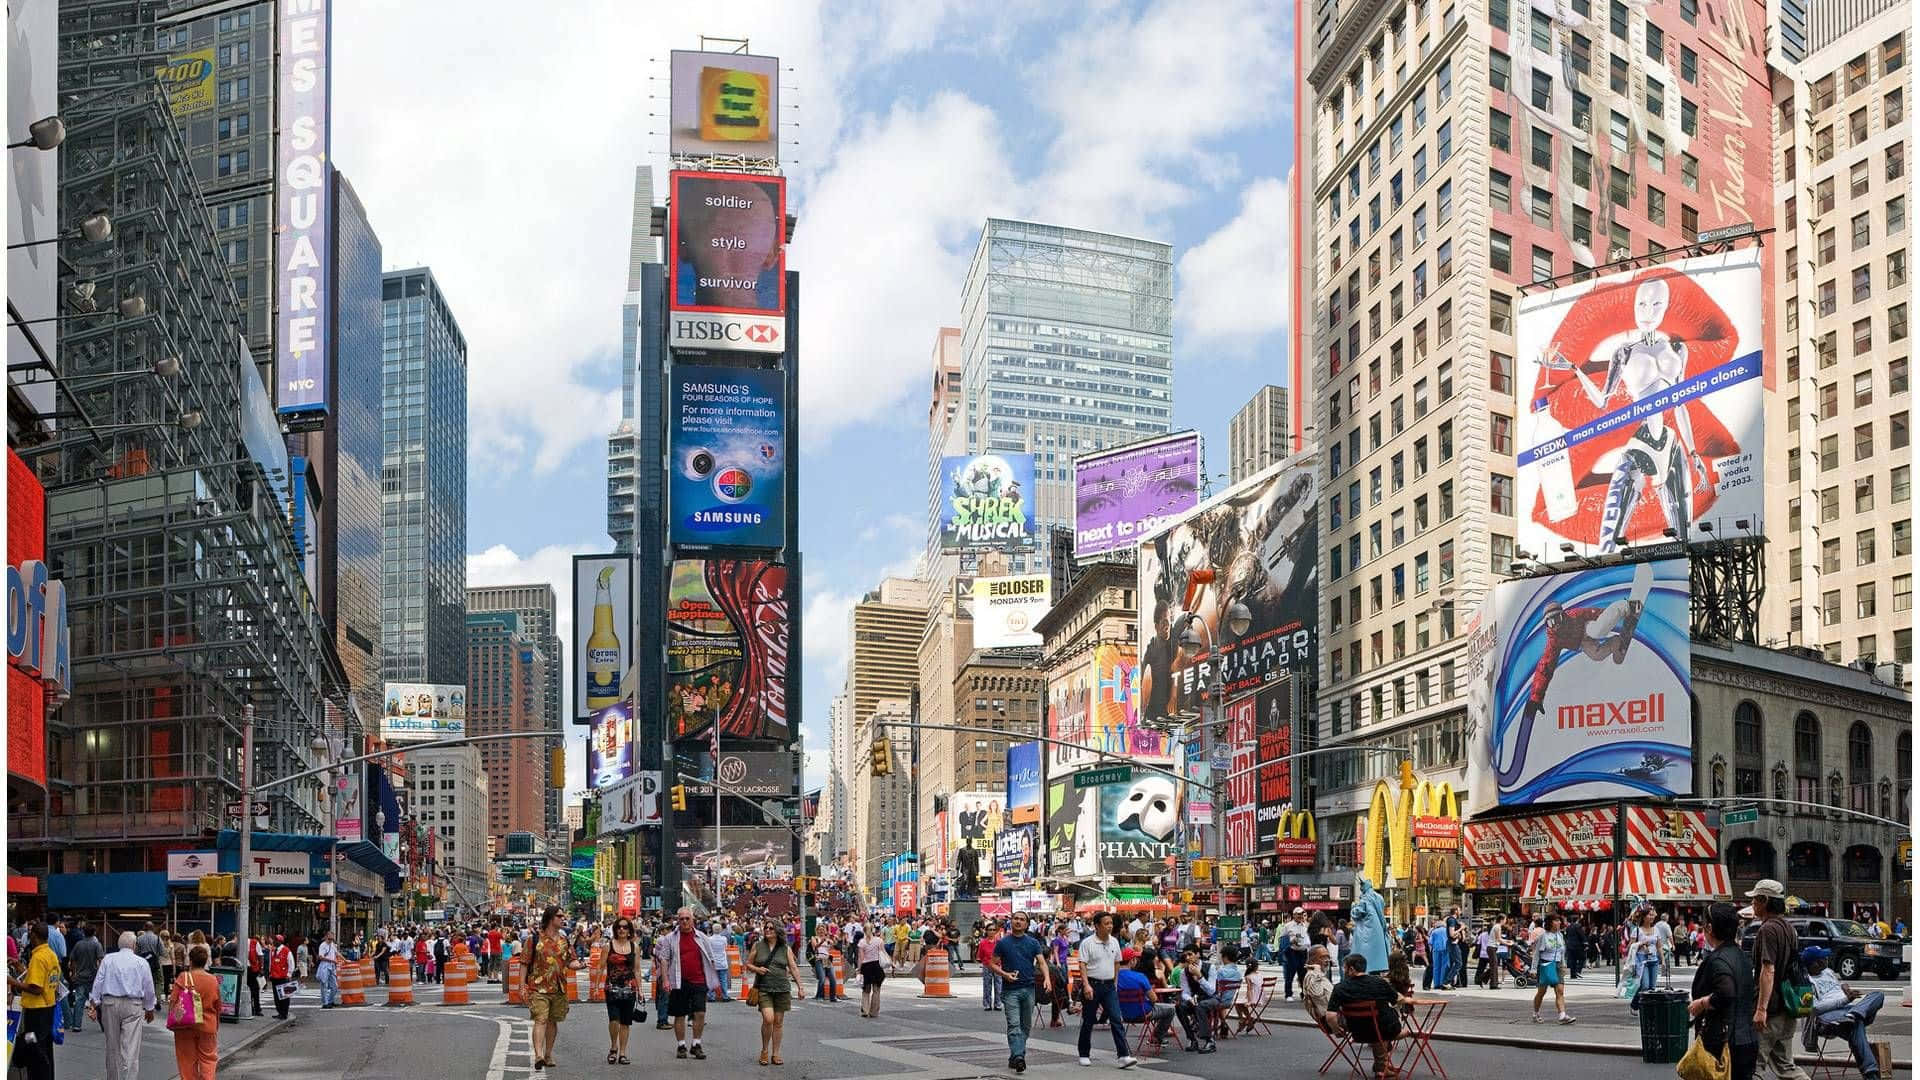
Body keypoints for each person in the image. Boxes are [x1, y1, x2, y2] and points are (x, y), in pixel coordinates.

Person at [1746, 880, 1812, 1080]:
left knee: (1752, 1066)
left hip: (1771, 1011)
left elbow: (1768, 969)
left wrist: (1761, 1009)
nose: (1753, 904)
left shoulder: (1767, 930)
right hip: (1788, 1007)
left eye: (1755, 900)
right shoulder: (1789, 928)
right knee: (1786, 1067)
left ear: (1764, 900)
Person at [1688, 902, 1759, 1080]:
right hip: (1747, 1038)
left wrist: (1702, 1002)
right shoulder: (1742, 956)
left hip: (1722, 1041)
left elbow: (1726, 992)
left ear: (1710, 928)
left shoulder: (1717, 960)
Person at [1802, 946, 1885, 1079]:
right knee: (1855, 1025)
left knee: (1878, 995)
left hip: (1848, 1011)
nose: (1827, 959)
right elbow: (1814, 1008)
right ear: (1814, 963)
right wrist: (1845, 1000)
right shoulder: (1807, 981)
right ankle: (1871, 1074)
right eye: (1823, 957)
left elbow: (1837, 986)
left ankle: (1856, 1013)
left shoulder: (1828, 971)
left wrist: (1845, 987)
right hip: (1828, 1017)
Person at [985, 911, 1051, 1074]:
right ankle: (1019, 1056)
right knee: (1014, 1025)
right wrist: (1005, 975)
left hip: (1029, 989)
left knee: (1026, 1026)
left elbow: (1042, 962)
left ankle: (1014, 1056)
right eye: (1016, 919)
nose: (1018, 922)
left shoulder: (1033, 942)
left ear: (1027, 924)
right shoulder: (1003, 943)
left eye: (1022, 920)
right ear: (1011, 922)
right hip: (1010, 991)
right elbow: (991, 964)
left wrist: (1047, 978)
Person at [88, 931, 157, 1080]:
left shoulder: (108, 959)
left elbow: (98, 981)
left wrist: (94, 1003)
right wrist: (149, 1008)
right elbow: (149, 987)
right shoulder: (141, 962)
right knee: (131, 1048)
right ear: (134, 945)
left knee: (112, 1046)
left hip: (110, 1003)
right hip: (133, 1004)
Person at [1074, 911, 1137, 1069]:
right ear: (1097, 926)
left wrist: (1115, 982)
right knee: (1088, 1020)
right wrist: (1086, 984)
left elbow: (1117, 962)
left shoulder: (1115, 942)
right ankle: (1084, 1053)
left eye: (1111, 923)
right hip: (1093, 985)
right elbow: (1082, 964)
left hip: (1109, 986)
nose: (1110, 926)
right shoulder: (1087, 943)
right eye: (1106, 923)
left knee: (1116, 1019)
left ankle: (1123, 1055)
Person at [655, 907, 719, 1060]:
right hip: (678, 981)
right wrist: (665, 980)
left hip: (699, 980)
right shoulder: (670, 938)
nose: (684, 921)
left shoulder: (701, 937)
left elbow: (711, 958)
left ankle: (696, 1044)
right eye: (681, 918)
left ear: (692, 920)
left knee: (700, 1013)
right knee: (680, 1015)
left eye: (687, 918)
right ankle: (681, 1045)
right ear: (678, 920)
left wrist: (714, 980)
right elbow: (664, 959)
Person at [1328, 952, 1405, 1080]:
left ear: (1351, 969)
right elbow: (1399, 1000)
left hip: (1358, 1032)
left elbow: (1330, 1016)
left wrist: (1337, 1030)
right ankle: (1382, 1068)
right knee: (1385, 1026)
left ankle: (1381, 1067)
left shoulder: (1339, 988)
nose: (1343, 970)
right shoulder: (1380, 982)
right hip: (1384, 1030)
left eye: (1344, 968)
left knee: (1377, 1027)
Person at [525, 906, 583, 1071]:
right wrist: (522, 985)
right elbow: (524, 962)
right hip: (538, 987)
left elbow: (570, 962)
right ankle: (538, 1055)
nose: (562, 918)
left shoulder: (564, 941)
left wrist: (580, 965)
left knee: (552, 1022)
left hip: (558, 988)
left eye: (563, 916)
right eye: (559, 916)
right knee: (540, 1019)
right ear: (550, 918)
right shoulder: (534, 939)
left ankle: (548, 1053)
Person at [746, 920, 799, 1067]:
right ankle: (764, 1050)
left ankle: (775, 1053)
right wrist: (757, 969)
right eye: (766, 927)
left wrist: (800, 987)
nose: (768, 930)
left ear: (777, 931)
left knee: (778, 1022)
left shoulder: (785, 948)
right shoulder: (758, 945)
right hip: (764, 988)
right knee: (768, 1019)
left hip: (782, 988)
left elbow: (793, 968)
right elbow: (748, 964)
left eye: (771, 928)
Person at [13, 924, 62, 1080]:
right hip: (47, 1010)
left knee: (33, 1045)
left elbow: (36, 988)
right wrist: (18, 966)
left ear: (34, 936)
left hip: (36, 1013)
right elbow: (35, 977)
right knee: (44, 1048)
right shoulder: (50, 955)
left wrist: (11, 981)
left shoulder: (38, 958)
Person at [167, 943, 221, 1080]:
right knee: (208, 1060)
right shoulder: (213, 980)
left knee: (186, 1062)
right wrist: (216, 1025)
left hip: (185, 1026)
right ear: (205, 961)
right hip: (207, 1025)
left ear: (190, 961)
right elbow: (217, 1006)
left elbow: (173, 1001)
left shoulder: (183, 977)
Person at [603, 918, 641, 1066]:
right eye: (619, 927)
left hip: (629, 988)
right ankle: (613, 1047)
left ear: (629, 930)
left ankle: (623, 1053)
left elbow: (637, 969)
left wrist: (640, 989)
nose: (622, 930)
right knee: (614, 1020)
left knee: (625, 1022)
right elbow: (600, 966)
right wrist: (597, 985)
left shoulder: (635, 947)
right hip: (612, 987)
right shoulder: (608, 946)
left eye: (625, 927)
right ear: (615, 929)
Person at [1528, 913, 1577, 1024]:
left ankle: (1562, 1015)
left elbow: (1562, 951)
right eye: (1556, 920)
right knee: (1542, 991)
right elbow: (1536, 954)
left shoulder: (1560, 935)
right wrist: (1533, 969)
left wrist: (1564, 964)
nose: (1559, 922)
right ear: (1550, 923)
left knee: (1560, 991)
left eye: (1559, 920)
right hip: (1546, 964)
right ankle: (1535, 1013)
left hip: (1557, 964)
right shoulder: (1543, 936)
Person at [1173, 946, 1219, 1053]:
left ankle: (1210, 1041)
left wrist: (1199, 976)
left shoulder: (1209, 967)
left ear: (1198, 954)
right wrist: (1189, 999)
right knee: (1180, 1007)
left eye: (1190, 954)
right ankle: (1192, 1039)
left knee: (1201, 1006)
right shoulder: (1184, 972)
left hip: (1212, 998)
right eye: (1185, 955)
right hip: (1196, 998)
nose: (1187, 958)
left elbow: (1212, 991)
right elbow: (1185, 992)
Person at [65, 924, 102, 1033]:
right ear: (94, 933)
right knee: (97, 1001)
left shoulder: (78, 945)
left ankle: (77, 1025)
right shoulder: (96, 945)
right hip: (93, 978)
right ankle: (104, 1025)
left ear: (83, 933)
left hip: (80, 977)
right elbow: (101, 960)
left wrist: (73, 973)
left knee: (79, 1001)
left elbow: (72, 960)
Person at [857, 919, 890, 1018]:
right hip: (877, 966)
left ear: (863, 930)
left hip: (866, 966)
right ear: (873, 930)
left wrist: (859, 969)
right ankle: (874, 1012)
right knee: (876, 990)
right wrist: (890, 962)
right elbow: (883, 953)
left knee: (866, 990)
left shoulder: (862, 942)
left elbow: (860, 957)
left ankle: (865, 1010)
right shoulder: (879, 941)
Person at [1282, 908, 1311, 1000]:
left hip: (1303, 951)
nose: (1300, 916)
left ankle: (1304, 993)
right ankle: (1288, 994)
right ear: (1294, 915)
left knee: (1303, 973)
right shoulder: (1288, 926)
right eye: (1298, 914)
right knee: (1290, 973)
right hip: (1292, 951)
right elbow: (1283, 939)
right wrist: (1291, 940)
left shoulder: (1306, 925)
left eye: (1302, 914)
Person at [809, 924, 840, 1003]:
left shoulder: (828, 939)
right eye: (820, 929)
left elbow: (834, 945)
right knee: (822, 978)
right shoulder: (814, 938)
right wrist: (822, 941)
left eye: (823, 929)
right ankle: (819, 996)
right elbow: (815, 947)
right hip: (819, 959)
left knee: (833, 978)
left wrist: (834, 940)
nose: (821, 931)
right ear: (817, 930)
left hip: (827, 959)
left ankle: (833, 997)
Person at [978, 921, 1003, 1010]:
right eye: (989, 930)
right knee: (987, 986)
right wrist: (985, 962)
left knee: (999, 986)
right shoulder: (983, 943)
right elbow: (980, 955)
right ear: (986, 931)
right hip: (987, 966)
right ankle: (987, 1004)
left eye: (993, 930)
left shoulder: (999, 942)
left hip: (998, 966)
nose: (991, 931)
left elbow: (1003, 954)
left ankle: (998, 1003)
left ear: (996, 931)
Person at [315, 930, 340, 1008]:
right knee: (324, 985)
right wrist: (332, 960)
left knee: (335, 986)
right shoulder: (322, 945)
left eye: (332, 939)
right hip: (325, 966)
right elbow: (321, 957)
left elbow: (337, 953)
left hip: (332, 966)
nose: (330, 940)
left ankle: (330, 1000)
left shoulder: (332, 945)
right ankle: (325, 1003)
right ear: (326, 937)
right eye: (329, 939)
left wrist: (345, 960)